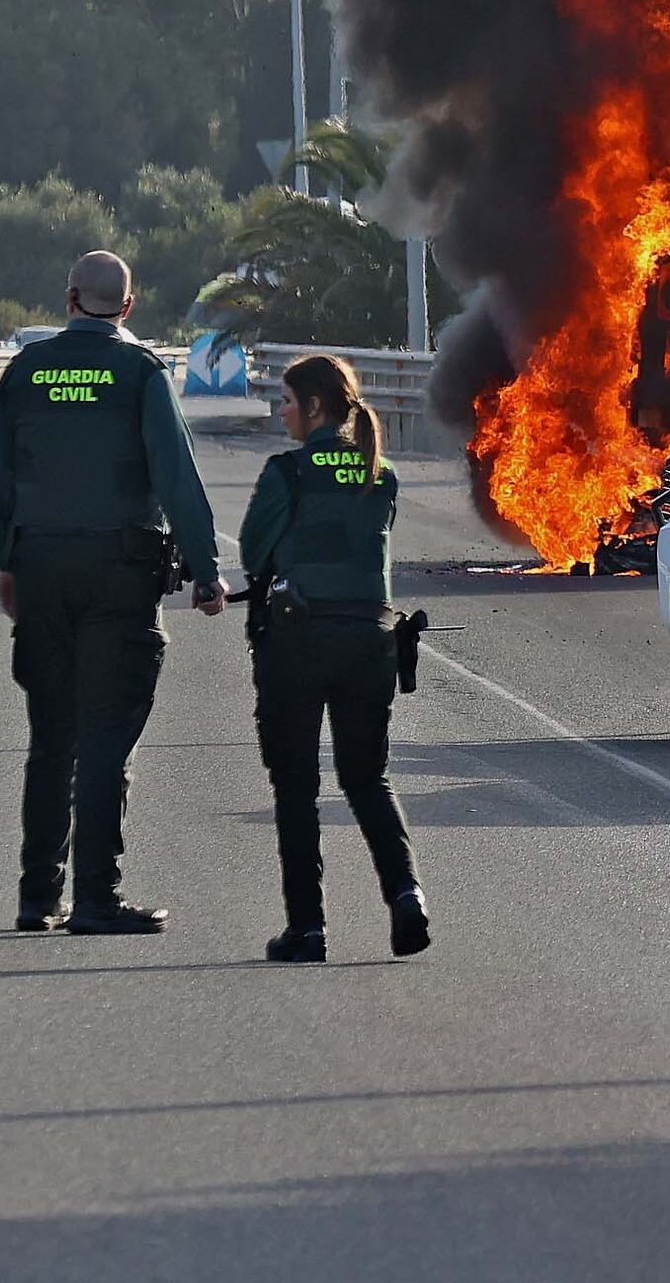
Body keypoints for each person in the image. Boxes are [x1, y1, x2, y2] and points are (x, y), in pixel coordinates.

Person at [0, 249, 224, 935]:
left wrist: (7, 561)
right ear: (128, 304)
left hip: (43, 570)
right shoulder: (141, 372)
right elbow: (178, 478)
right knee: (106, 737)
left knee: (51, 736)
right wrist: (205, 571)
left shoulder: (25, 371)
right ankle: (96, 897)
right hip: (119, 572)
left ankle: (37, 896)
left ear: (68, 298)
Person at [239, 352, 429, 963]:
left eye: (289, 401)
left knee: (295, 786)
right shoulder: (384, 472)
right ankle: (407, 896)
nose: (282, 411)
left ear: (315, 406)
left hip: (298, 641)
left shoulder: (286, 473)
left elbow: (252, 552)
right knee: (367, 779)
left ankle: (308, 928)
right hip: (371, 642)